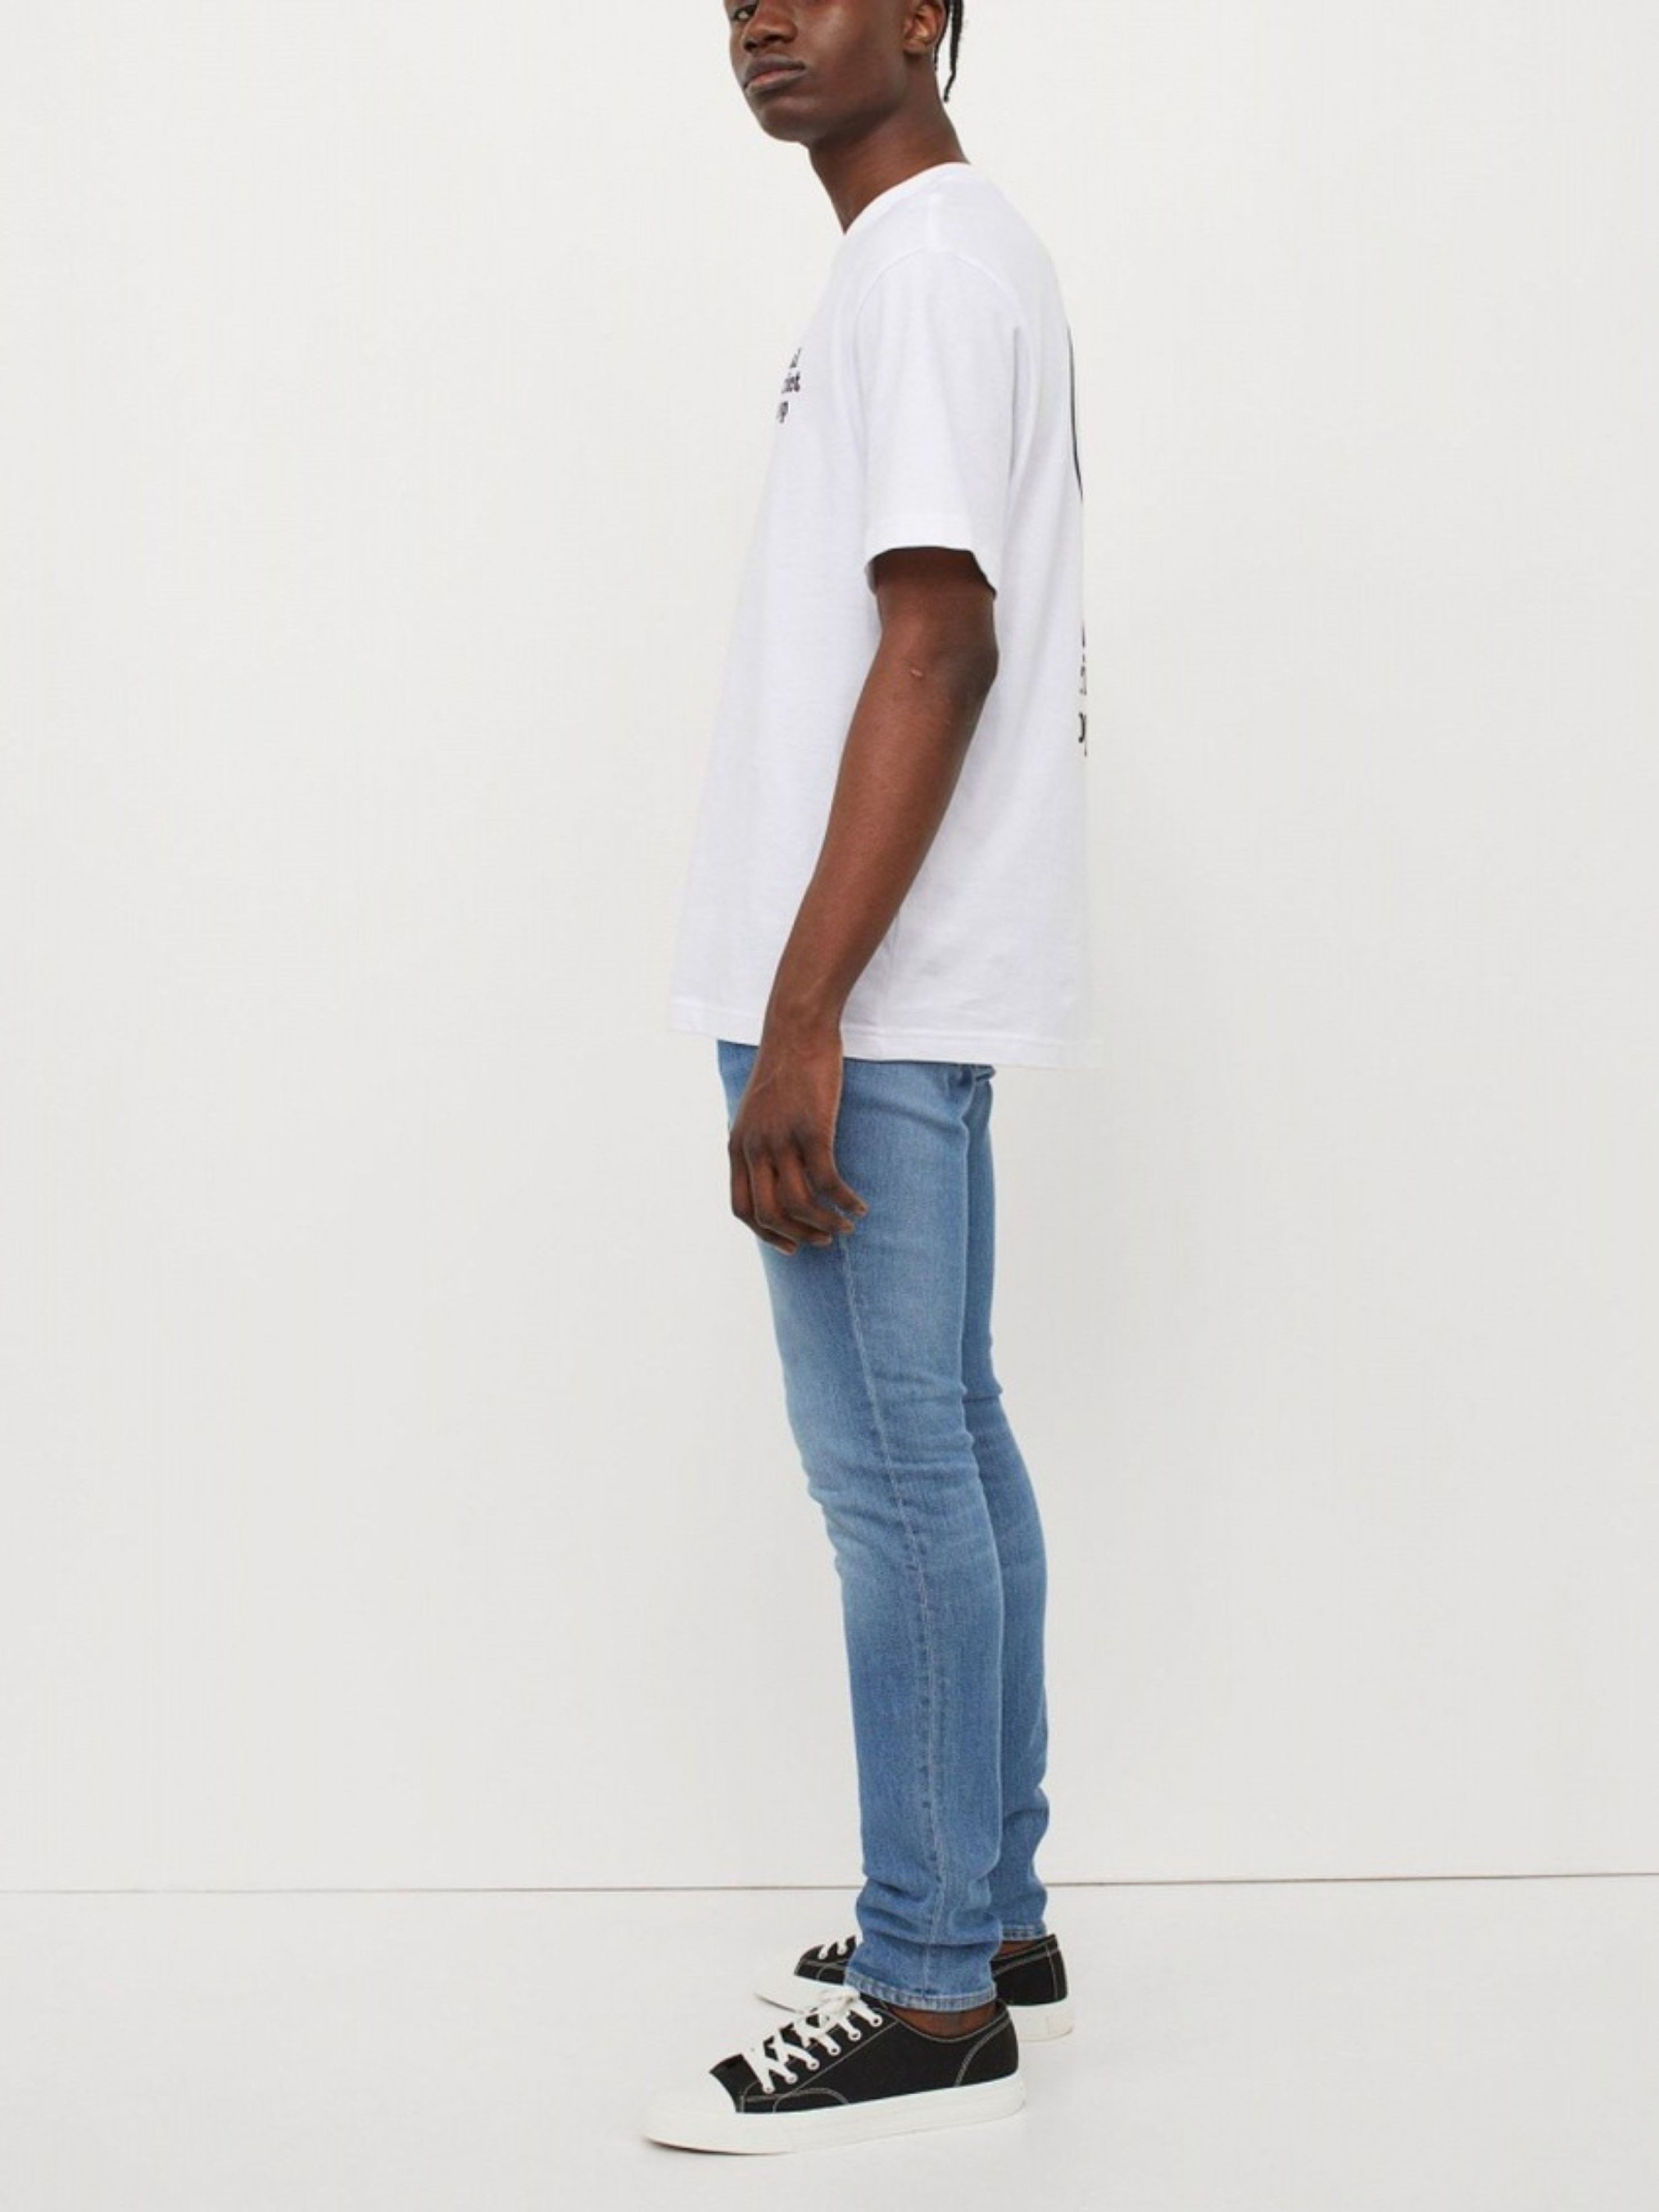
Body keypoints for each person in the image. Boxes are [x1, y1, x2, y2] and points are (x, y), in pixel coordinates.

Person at [648, 0, 1100, 2155]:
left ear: (926, 20)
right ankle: (991, 1915)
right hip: (908, 976)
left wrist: (806, 1005)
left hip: (869, 985)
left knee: (892, 1475)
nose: (762, 18)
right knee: (950, 1440)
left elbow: (939, 633)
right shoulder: (943, 252)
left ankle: (930, 1989)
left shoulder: (921, 262)